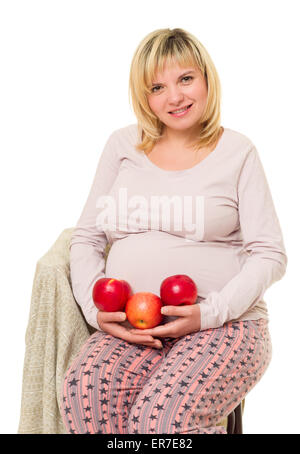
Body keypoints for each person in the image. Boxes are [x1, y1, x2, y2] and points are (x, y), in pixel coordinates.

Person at [60, 28, 287, 434]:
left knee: (159, 424)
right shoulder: (123, 146)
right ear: (143, 96)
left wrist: (209, 313)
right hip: (135, 324)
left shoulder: (238, 152)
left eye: (185, 79)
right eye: (157, 87)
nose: (175, 97)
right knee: (84, 391)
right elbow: (88, 238)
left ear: (206, 79)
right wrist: (97, 313)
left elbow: (269, 253)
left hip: (224, 324)